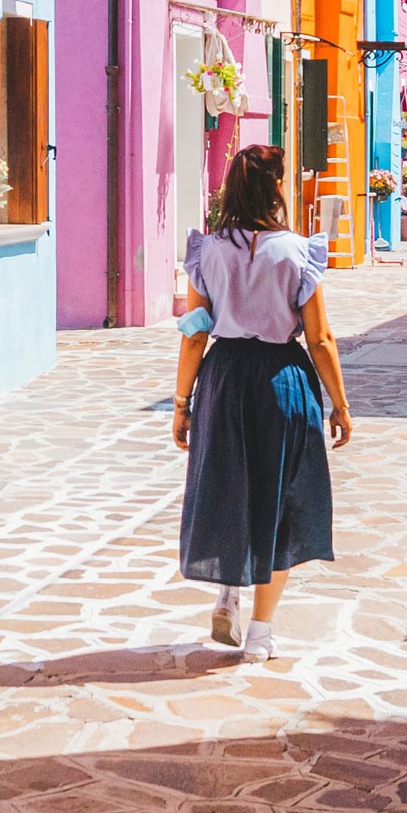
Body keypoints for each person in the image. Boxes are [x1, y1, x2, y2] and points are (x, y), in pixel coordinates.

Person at [171, 143, 353, 663]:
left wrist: (182, 402)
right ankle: (261, 636)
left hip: (225, 379)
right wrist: (340, 404)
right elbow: (320, 339)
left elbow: (193, 334)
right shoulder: (298, 252)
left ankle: (227, 592)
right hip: (282, 380)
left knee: (228, 484)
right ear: (275, 188)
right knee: (283, 501)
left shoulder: (207, 253)